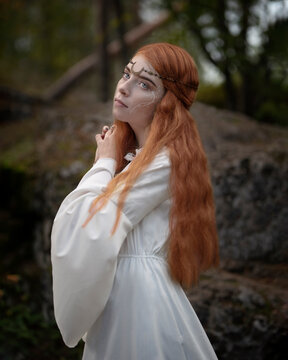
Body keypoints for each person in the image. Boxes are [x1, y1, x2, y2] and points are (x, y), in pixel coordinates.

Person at [51, 42, 219, 359]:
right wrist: (111, 161)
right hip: (122, 291)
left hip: (137, 299)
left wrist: (103, 162)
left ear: (165, 103)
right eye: (127, 73)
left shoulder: (164, 160)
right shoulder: (135, 159)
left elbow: (94, 223)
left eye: (144, 84)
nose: (124, 87)